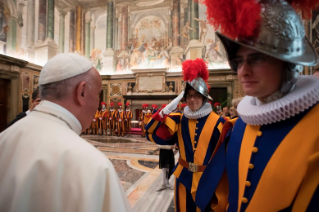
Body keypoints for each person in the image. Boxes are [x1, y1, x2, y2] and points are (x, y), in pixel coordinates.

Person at [205, 0, 319, 211]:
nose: (243, 71)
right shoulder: (239, 126)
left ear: (289, 63)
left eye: (256, 59)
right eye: (239, 61)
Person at [0, 53, 131, 211]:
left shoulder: (4, 138)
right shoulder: (94, 166)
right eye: (97, 94)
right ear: (82, 92)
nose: (98, 105)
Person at [146, 58, 227, 211]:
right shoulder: (179, 119)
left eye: (196, 95)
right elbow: (153, 133)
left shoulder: (219, 123)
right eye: (188, 95)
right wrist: (165, 111)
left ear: (204, 98)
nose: (192, 99)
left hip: (208, 180)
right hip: (183, 178)